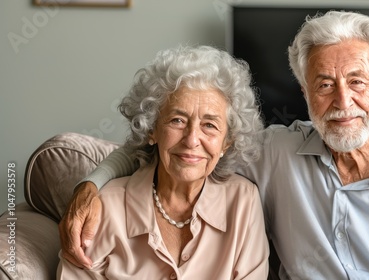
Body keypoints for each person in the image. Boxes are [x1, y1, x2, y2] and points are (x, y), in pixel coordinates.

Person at [59, 11, 369, 279]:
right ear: (305, 95)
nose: (342, 101)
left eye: (357, 82)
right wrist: (93, 185)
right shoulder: (274, 152)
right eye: (324, 84)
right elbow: (182, 151)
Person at [57, 45, 269, 279]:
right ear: (151, 130)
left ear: (226, 143)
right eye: (177, 120)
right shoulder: (105, 209)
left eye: (209, 125)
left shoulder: (243, 202)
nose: (191, 140)